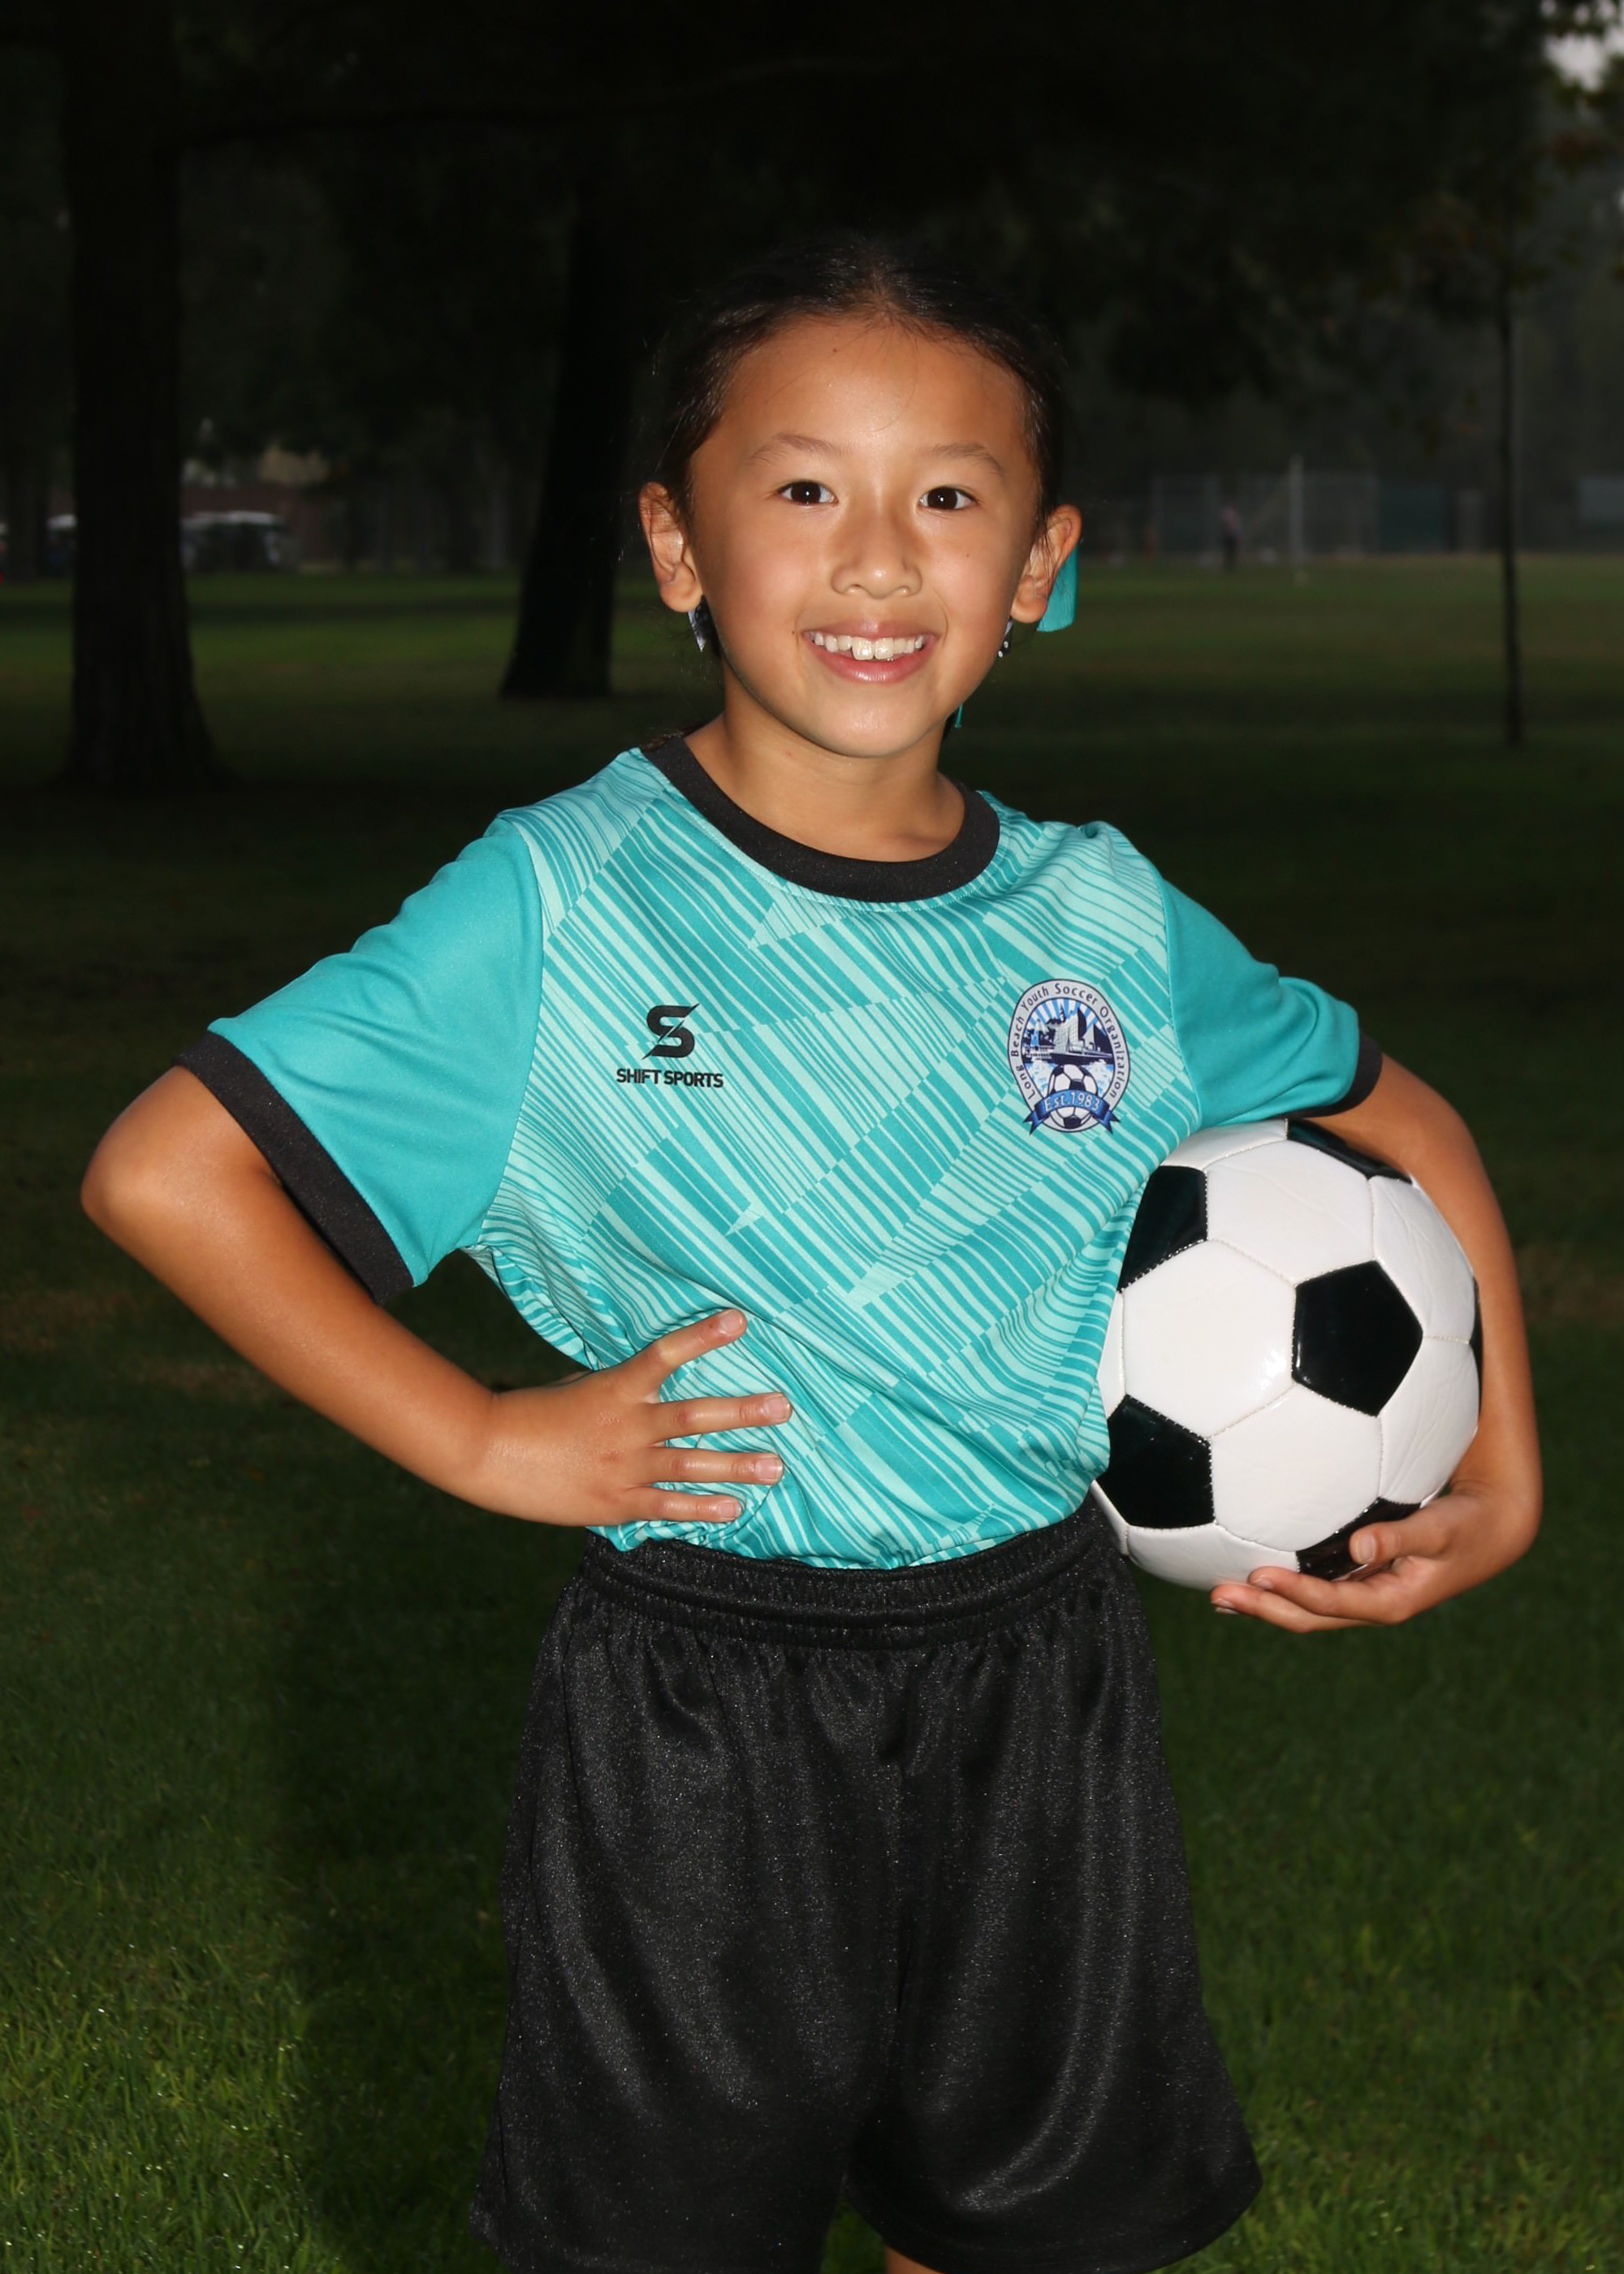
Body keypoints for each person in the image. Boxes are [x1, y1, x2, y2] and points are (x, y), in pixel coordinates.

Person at [81, 233, 1540, 2274]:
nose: (875, 558)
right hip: (701, 1700)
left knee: (1022, 2222)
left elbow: (1411, 1123)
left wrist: (1503, 1469)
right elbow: (167, 1172)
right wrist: (483, 1438)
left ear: (1041, 565)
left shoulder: (1106, 920)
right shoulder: (559, 903)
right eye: (801, 487)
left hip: (1043, 1674)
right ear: (676, 547)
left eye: (946, 495)